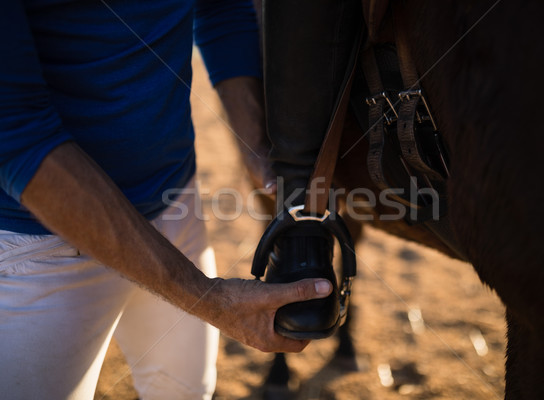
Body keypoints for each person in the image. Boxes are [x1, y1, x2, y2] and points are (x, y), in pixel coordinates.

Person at [0, 1, 332, 399]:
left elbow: (220, 9)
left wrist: (255, 144)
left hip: (177, 203)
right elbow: (15, 136)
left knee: (187, 392)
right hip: (42, 242)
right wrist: (211, 299)